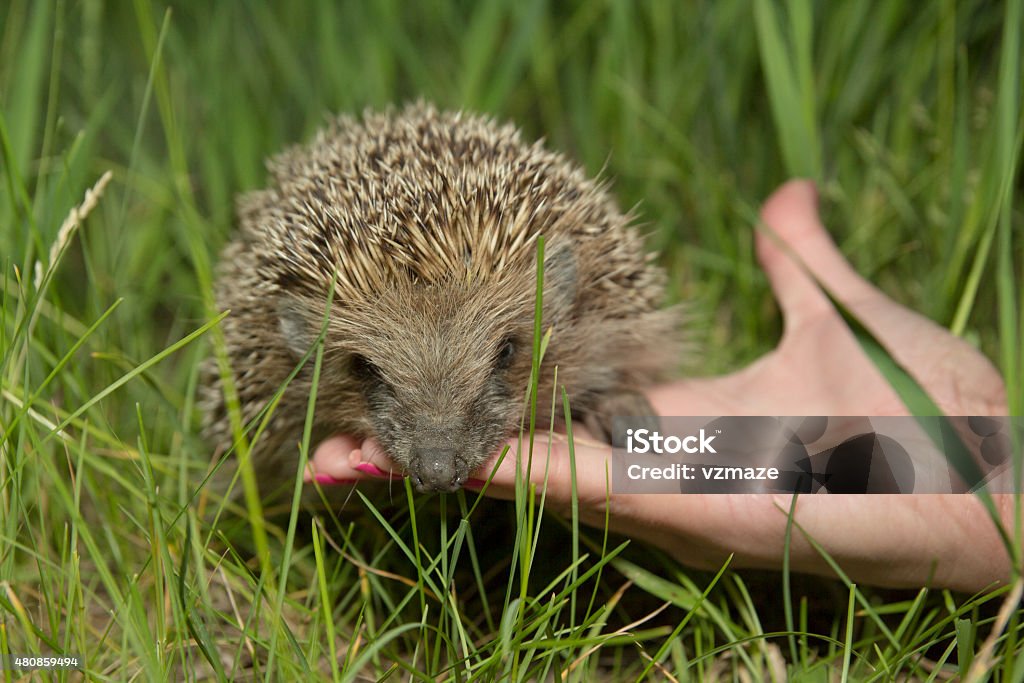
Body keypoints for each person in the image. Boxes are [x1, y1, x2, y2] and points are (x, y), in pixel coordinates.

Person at [307, 180, 1014, 593]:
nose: (436, 463)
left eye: (501, 361)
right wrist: (979, 462)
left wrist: (962, 456)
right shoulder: (308, 343)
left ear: (560, 297)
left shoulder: (582, 322)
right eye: (378, 381)